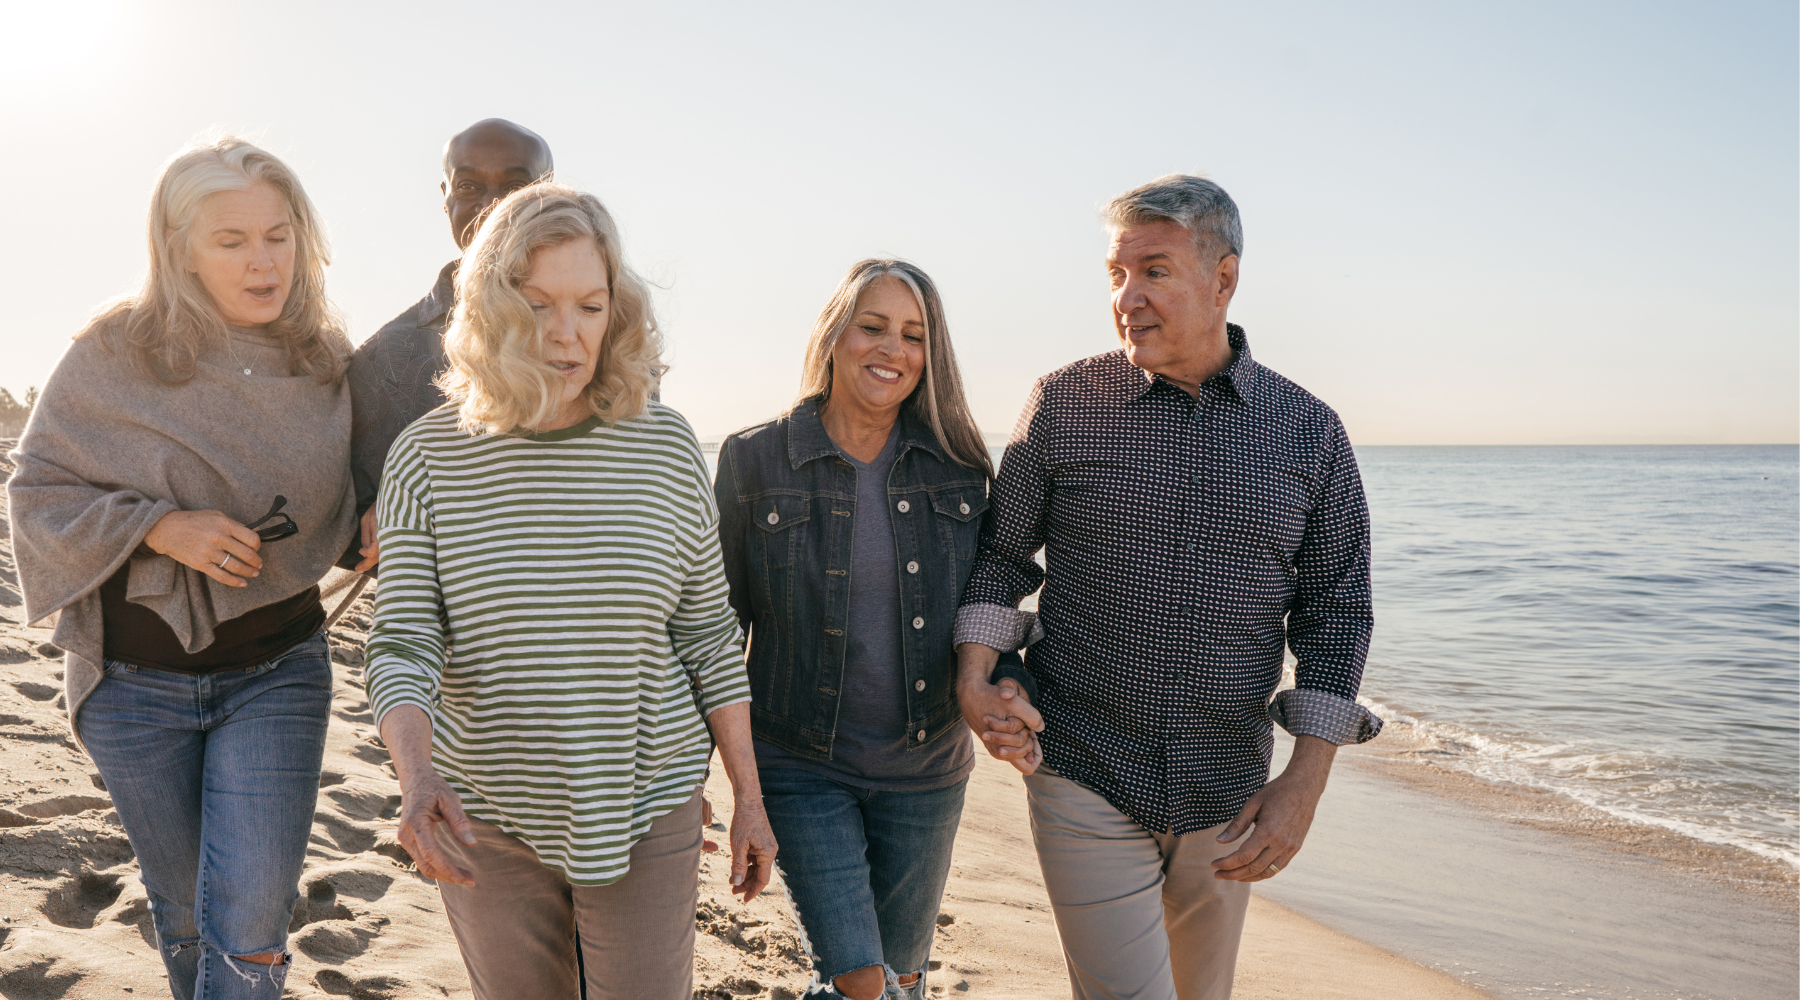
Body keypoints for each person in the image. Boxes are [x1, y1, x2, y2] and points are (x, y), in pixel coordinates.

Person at [956, 174, 1380, 1000]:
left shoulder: (1309, 431)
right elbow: (1003, 557)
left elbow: (1337, 611)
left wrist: (1305, 781)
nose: (1128, 298)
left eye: (1153, 271)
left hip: (1230, 791)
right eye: (1116, 275)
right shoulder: (1065, 402)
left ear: (1223, 279)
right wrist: (976, 675)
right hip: (1082, 763)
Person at [362, 183, 776, 999]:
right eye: (538, 303)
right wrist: (417, 782)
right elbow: (404, 644)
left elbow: (708, 638)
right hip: (485, 810)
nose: (566, 333)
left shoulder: (663, 448)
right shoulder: (426, 457)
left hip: (647, 798)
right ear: (489, 306)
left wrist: (749, 800)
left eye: (590, 305)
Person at [7, 137, 357, 998]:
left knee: (248, 925)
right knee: (187, 913)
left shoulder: (321, 359)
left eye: (278, 235)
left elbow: (357, 487)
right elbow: (37, 491)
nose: (262, 260)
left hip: (278, 673)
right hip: (134, 685)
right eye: (230, 240)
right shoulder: (116, 351)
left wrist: (382, 514)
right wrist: (161, 529)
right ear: (179, 247)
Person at [714, 259, 994, 1000]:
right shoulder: (754, 459)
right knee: (861, 981)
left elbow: (986, 613)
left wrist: (1007, 692)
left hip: (927, 771)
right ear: (836, 334)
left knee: (901, 979)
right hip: (800, 760)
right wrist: (726, 787)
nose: (892, 349)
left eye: (913, 335)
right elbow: (714, 633)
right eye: (873, 326)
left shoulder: (960, 469)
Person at [342, 118, 553, 571]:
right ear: (445, 196)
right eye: (470, 185)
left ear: (548, 191)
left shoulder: (609, 335)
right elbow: (348, 533)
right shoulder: (385, 360)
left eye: (515, 186)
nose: (494, 206)